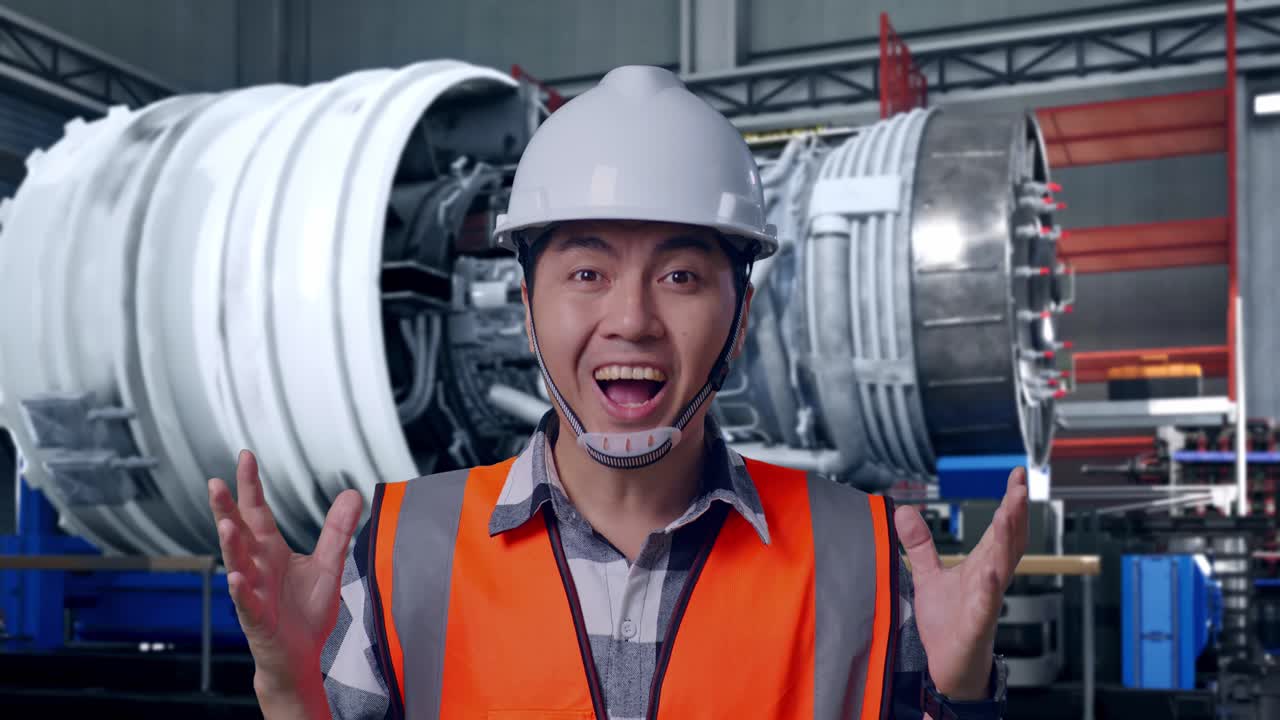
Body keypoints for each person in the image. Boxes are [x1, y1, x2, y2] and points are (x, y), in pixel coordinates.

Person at [207, 65, 1028, 719]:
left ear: (740, 318)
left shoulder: (862, 558)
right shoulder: (398, 552)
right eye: (588, 273)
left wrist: (961, 695)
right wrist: (291, 690)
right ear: (526, 310)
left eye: (679, 275)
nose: (631, 319)